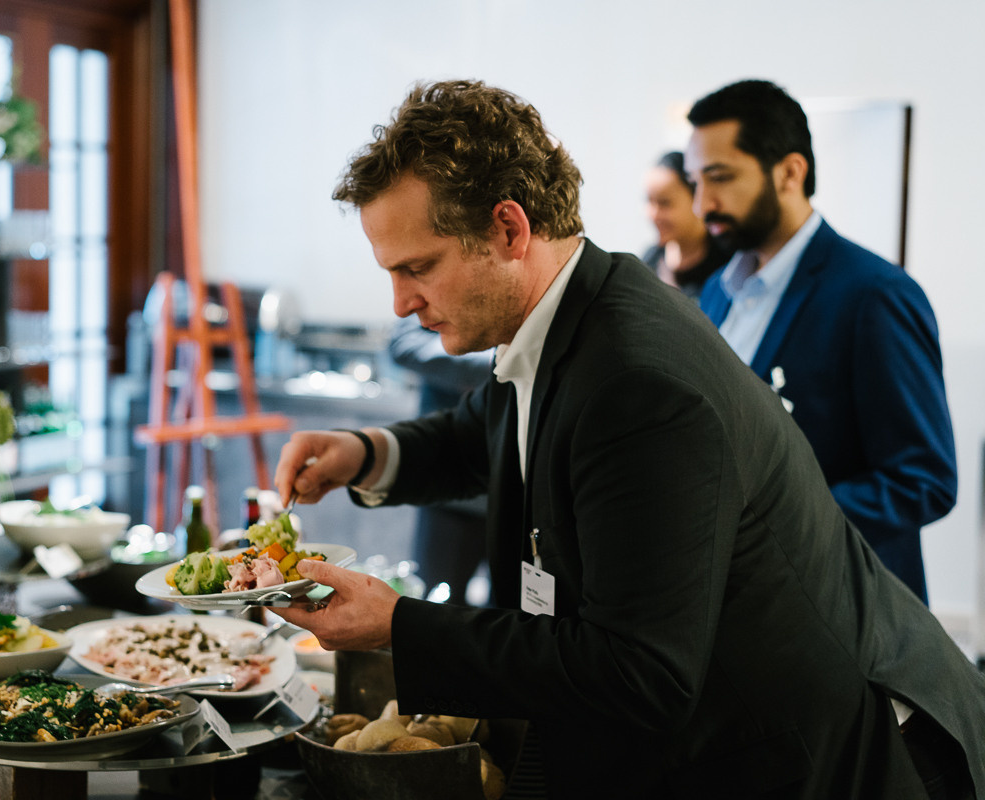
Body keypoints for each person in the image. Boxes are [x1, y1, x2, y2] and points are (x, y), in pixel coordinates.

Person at [272, 79, 985, 798]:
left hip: (842, 756)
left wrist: (401, 625)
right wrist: (367, 453)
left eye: (417, 267)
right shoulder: (568, 309)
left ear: (508, 230)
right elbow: (490, 430)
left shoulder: (636, 384)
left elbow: (639, 670)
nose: (400, 302)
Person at [685, 79, 956, 604]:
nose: (702, 205)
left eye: (719, 178)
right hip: (745, 607)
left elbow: (923, 479)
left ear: (790, 172)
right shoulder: (720, 292)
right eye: (695, 181)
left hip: (845, 612)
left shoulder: (874, 294)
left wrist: (782, 525)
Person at [387, 314, 492, 605]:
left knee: (516, 614)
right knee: (433, 606)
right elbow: (404, 343)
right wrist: (497, 363)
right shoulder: (435, 284)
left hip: (520, 494)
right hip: (449, 487)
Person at [642, 150, 730, 301]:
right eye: (649, 201)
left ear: (696, 199)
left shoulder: (728, 266)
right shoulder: (648, 263)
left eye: (665, 203)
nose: (654, 214)